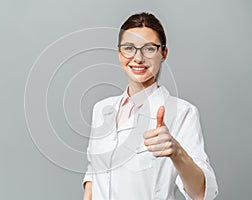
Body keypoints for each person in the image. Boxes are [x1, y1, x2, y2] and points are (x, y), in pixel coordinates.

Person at [83, 12, 218, 200]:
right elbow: (93, 175)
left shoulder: (181, 113)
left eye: (149, 49)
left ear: (163, 53)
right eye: (129, 48)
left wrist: (177, 152)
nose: (138, 58)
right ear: (119, 53)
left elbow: (202, 193)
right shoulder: (101, 109)